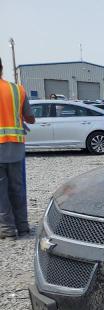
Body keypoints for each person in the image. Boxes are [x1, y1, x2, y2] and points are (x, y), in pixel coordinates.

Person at [0, 57, 35, 240]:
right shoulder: (17, 90)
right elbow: (30, 118)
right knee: (17, 188)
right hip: (15, 147)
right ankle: (23, 227)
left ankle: (7, 230)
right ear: (2, 68)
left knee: (1, 192)